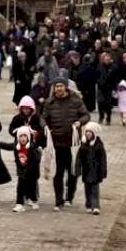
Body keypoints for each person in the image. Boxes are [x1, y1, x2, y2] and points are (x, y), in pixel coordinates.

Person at [42, 80, 90, 210]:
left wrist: (80, 122)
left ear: (65, 87)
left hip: (73, 144)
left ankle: (69, 197)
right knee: (58, 173)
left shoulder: (76, 100)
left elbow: (86, 115)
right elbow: (43, 117)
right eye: (56, 86)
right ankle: (59, 200)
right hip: (57, 144)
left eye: (61, 86)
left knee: (73, 172)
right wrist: (45, 126)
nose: (59, 89)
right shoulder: (49, 102)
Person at [0, 126, 42, 213]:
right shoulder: (16, 146)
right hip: (22, 172)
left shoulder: (32, 148)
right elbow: (7, 146)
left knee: (32, 187)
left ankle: (34, 200)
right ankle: (19, 204)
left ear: (28, 137)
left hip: (32, 173)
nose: (23, 138)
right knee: (20, 187)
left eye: (25, 136)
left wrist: (29, 168)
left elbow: (36, 161)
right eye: (21, 136)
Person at [74, 121, 108, 215]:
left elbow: (103, 160)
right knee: (87, 189)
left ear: (94, 134)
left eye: (90, 132)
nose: (88, 134)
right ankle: (89, 205)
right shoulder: (83, 145)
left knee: (95, 189)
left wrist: (103, 171)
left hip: (96, 172)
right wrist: (77, 169)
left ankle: (96, 206)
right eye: (87, 132)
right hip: (86, 171)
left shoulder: (99, 146)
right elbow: (79, 159)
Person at [96, 52, 119, 126]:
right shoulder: (99, 66)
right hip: (101, 87)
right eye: (105, 59)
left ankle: (108, 118)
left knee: (108, 104)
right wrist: (99, 82)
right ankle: (101, 116)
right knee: (100, 103)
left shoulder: (114, 67)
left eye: (108, 59)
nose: (107, 60)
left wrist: (115, 88)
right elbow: (96, 76)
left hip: (109, 88)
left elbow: (116, 79)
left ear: (110, 59)